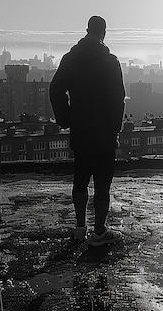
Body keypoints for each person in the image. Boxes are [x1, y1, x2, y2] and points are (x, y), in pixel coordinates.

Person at [50, 16, 125, 246]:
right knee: (102, 184)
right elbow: (117, 99)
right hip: (103, 133)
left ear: (86, 31)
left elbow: (55, 90)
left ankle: (80, 228)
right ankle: (100, 233)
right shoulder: (110, 61)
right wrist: (114, 129)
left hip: (80, 130)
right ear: (103, 33)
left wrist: (66, 118)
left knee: (80, 180)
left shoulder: (70, 59)